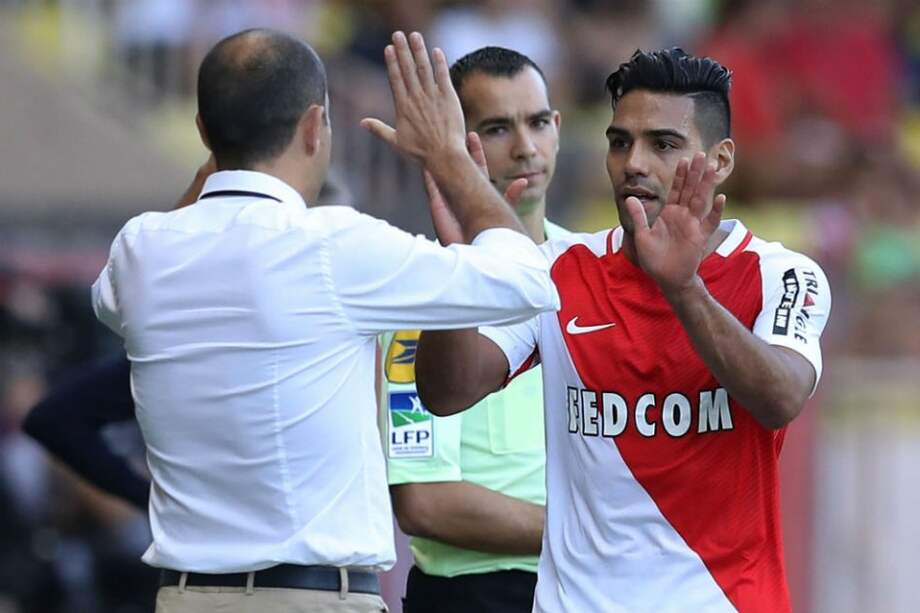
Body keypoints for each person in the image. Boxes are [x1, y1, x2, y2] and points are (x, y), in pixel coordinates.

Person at [91, 28, 560, 613]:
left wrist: (230, 139)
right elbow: (528, 277)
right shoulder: (333, 245)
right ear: (315, 127)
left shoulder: (139, 250)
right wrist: (447, 157)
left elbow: (108, 301)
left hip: (186, 597)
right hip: (310, 598)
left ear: (205, 133)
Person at [414, 48, 832, 612]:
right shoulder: (557, 268)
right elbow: (448, 392)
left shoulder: (782, 273)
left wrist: (684, 290)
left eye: (663, 144)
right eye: (619, 142)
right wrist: (458, 265)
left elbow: (781, 397)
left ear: (722, 159)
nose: (634, 162)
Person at [382, 47, 567, 613]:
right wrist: (589, 530)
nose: (526, 147)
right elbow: (425, 503)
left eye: (538, 122)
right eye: (496, 128)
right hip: (474, 596)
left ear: (559, 128)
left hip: (589, 590)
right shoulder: (422, 296)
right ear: (461, 146)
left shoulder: (600, 272)